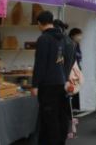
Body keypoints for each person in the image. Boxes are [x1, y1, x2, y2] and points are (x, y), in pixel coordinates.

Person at [31, 11, 73, 145]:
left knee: (49, 118)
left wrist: (35, 85)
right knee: (60, 116)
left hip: (47, 84)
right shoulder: (61, 38)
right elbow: (63, 60)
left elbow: (40, 64)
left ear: (39, 23)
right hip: (60, 82)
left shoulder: (44, 39)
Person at [68, 28, 83, 110]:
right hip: (71, 69)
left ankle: (74, 107)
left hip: (76, 68)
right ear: (73, 35)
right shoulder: (70, 44)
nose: (80, 37)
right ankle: (71, 107)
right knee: (72, 87)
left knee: (76, 87)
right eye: (79, 35)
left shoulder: (76, 44)